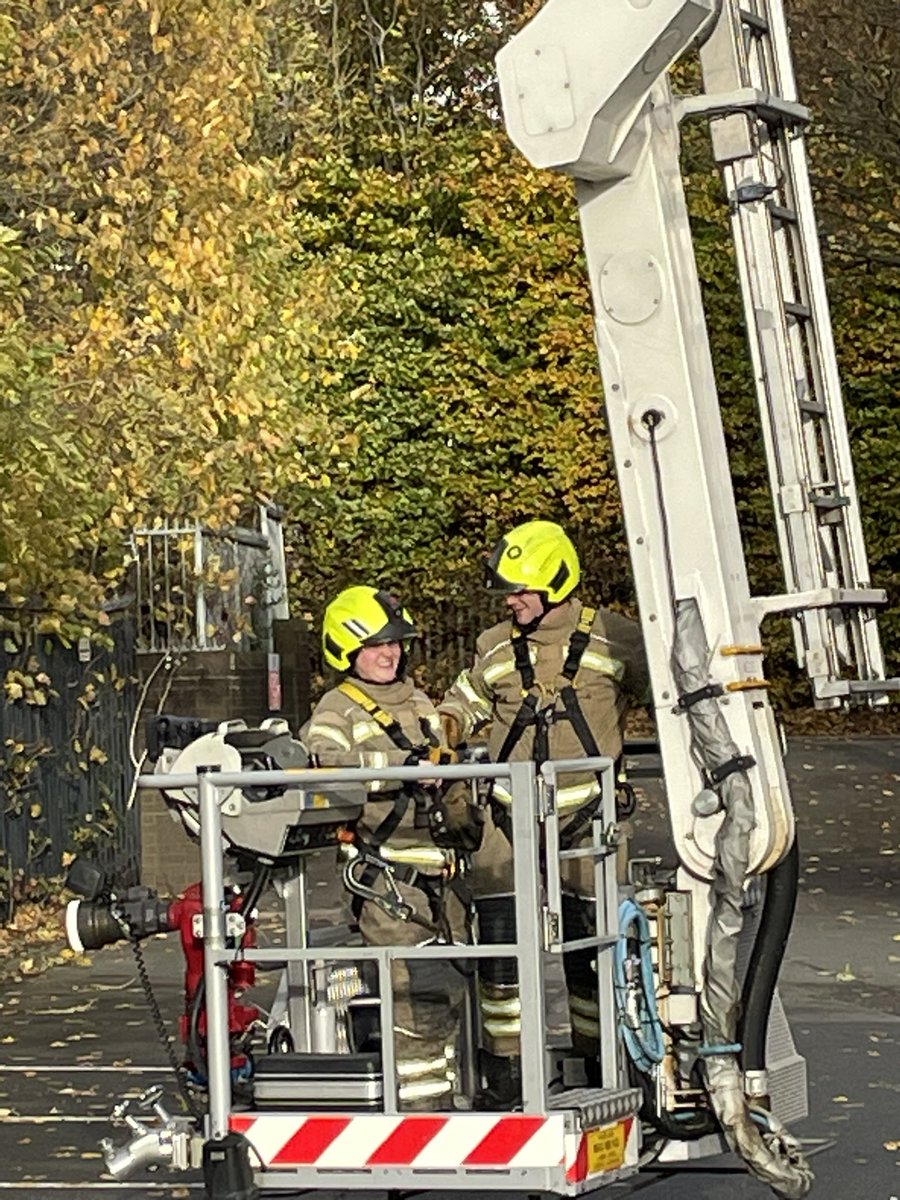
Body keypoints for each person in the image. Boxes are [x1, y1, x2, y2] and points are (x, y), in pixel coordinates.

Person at [439, 519, 650, 1106]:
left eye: (521, 591)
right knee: (500, 952)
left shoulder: (617, 638)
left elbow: (673, 694)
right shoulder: (495, 647)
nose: (511, 601)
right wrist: (444, 730)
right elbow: (462, 701)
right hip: (509, 820)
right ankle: (506, 1075)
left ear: (557, 583)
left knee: (592, 947)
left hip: (589, 824)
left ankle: (598, 1060)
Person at [304, 585, 466, 1109]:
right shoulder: (336, 709)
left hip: (444, 877)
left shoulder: (418, 700)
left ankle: (445, 1106)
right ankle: (421, 1118)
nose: (389, 654)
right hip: (387, 882)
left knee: (450, 997)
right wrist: (398, 772)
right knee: (413, 1003)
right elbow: (324, 767)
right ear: (346, 651)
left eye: (395, 643)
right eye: (376, 645)